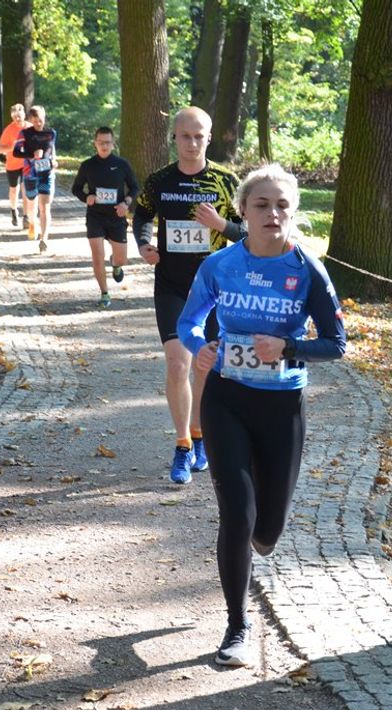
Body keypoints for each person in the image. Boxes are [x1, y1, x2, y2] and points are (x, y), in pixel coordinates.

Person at [177, 163, 346, 666]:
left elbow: (336, 344)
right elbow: (188, 323)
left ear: (292, 212)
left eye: (282, 205)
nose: (272, 213)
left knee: (266, 533)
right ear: (242, 211)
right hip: (227, 398)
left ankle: (252, 538)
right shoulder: (220, 266)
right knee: (237, 514)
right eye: (261, 204)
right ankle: (236, 625)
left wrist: (289, 346)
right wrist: (201, 348)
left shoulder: (307, 267)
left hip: (281, 406)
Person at [133, 106, 243, 485]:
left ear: (209, 138)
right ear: (174, 138)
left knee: (204, 365)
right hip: (172, 284)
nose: (192, 143)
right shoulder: (159, 180)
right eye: (185, 136)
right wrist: (144, 244)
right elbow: (141, 215)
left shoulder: (227, 182)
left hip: (214, 288)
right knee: (178, 363)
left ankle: (199, 437)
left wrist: (221, 224)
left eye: (199, 136)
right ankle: (181, 445)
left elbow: (250, 234)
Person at [70, 127, 140, 308]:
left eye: (107, 142)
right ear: (95, 143)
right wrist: (87, 198)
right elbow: (76, 188)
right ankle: (104, 292)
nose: (104, 146)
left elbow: (134, 187)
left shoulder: (122, 164)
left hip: (116, 216)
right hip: (95, 216)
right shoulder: (87, 165)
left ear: (113, 143)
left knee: (122, 258)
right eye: (101, 142)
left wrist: (126, 203)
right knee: (97, 255)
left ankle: (116, 265)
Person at [12, 105, 57, 249]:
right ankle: (32, 223)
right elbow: (16, 152)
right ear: (31, 119)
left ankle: (44, 239)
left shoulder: (51, 133)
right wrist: (32, 155)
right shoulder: (25, 133)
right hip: (30, 174)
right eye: (36, 120)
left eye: (41, 120)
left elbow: (52, 150)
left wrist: (54, 161)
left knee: (45, 206)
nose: (39, 123)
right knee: (32, 208)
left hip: (47, 174)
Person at [0, 103, 30, 228]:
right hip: (12, 164)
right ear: (12, 116)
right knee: (14, 189)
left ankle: (26, 216)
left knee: (25, 189)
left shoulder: (29, 127)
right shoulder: (8, 130)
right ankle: (13, 210)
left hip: (27, 163)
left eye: (19, 115)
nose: (17, 118)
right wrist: (13, 147)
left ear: (24, 114)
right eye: (15, 116)